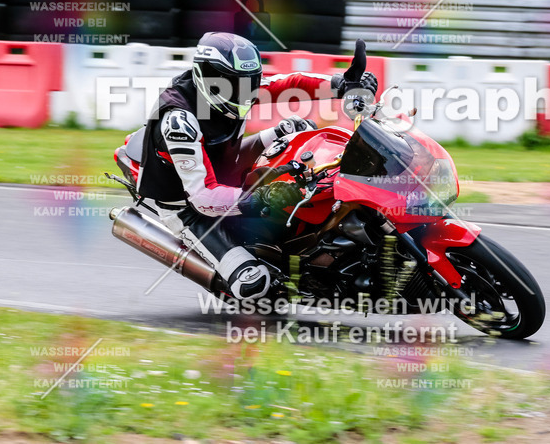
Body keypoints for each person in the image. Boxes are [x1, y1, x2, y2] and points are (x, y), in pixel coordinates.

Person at [129, 32, 377, 301]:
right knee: (254, 284)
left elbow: (288, 84)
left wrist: (342, 83)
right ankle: (236, 272)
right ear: (211, 79)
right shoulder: (179, 121)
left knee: (298, 129)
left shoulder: (234, 86)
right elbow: (202, 197)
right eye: (237, 85)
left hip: (225, 162)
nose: (247, 92)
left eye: (250, 83)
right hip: (186, 205)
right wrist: (259, 198)